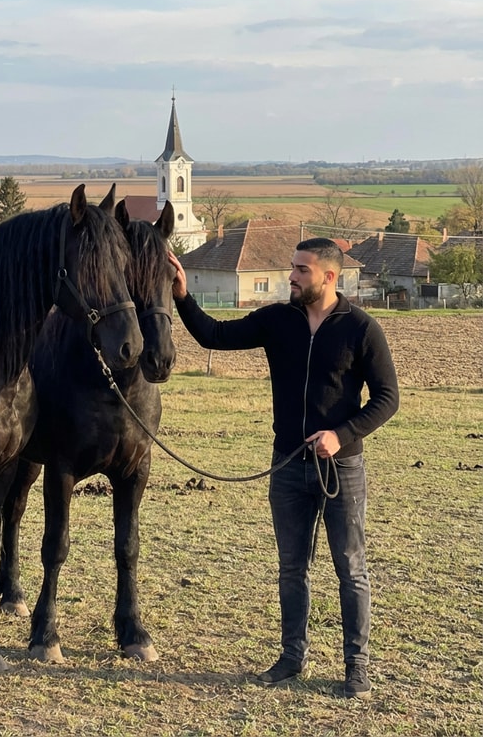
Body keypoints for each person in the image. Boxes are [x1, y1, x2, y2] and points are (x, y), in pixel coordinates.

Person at [168, 238, 399, 699]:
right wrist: (181, 297)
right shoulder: (277, 320)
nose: (290, 277)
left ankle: (357, 666)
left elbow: (388, 399)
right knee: (292, 569)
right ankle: (292, 658)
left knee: (350, 568)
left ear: (328, 277)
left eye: (300, 270)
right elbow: (215, 335)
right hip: (288, 467)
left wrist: (342, 435)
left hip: (341, 471)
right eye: (291, 268)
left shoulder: (360, 328)